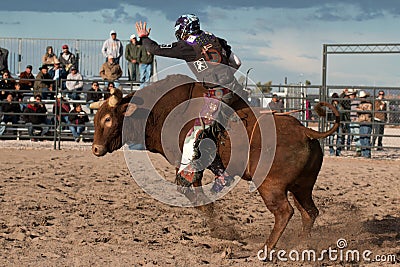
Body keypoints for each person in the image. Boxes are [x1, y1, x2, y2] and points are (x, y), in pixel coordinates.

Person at [136, 14, 244, 193]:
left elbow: (154, 49)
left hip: (218, 94)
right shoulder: (215, 39)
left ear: (183, 30)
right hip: (236, 89)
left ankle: (218, 175)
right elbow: (237, 62)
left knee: (195, 135)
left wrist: (144, 37)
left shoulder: (187, 46)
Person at [357, 90, 373, 158]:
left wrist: (361, 110)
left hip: (367, 121)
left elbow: (369, 112)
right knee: (362, 138)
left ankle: (367, 153)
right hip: (361, 121)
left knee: (366, 138)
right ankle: (364, 153)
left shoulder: (369, 104)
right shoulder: (360, 104)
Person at [348, 89, 361, 156]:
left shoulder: (357, 101)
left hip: (355, 120)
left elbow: (360, 109)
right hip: (352, 119)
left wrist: (357, 117)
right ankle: (357, 148)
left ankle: (358, 149)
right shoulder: (351, 102)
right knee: (354, 133)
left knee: (357, 134)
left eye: (350, 95)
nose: (349, 96)